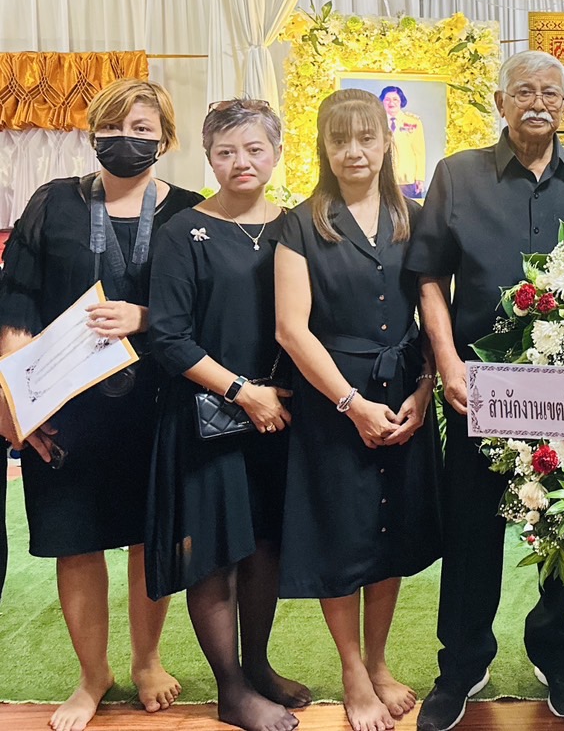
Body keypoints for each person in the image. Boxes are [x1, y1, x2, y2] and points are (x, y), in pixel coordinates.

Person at [408, 50, 564, 731]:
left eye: (551, 92)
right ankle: (462, 664)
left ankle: (555, 651)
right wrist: (447, 361)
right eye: (523, 91)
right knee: (473, 531)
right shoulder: (457, 174)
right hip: (480, 384)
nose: (537, 103)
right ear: (500, 102)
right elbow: (429, 277)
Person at [0, 77, 199, 731]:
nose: (126, 139)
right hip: (65, 407)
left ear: (165, 139)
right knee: (76, 542)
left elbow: (206, 308)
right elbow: (17, 298)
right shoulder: (52, 202)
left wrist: (146, 316)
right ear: (92, 133)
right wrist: (18, 398)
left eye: (142, 129)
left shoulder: (189, 214)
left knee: (149, 539)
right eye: (113, 127)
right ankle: (93, 675)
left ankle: (147, 661)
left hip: (158, 404)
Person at [274, 89, 442, 731]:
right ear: (323, 145)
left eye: (366, 137)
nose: (354, 151)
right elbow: (291, 329)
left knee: (387, 533)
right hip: (333, 400)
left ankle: (378, 661)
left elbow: (432, 315)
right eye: (340, 139)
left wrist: (423, 392)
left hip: (403, 393)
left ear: (386, 141)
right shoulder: (301, 224)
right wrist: (352, 405)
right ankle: (351, 669)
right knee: (341, 536)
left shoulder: (414, 216)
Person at [146, 98, 312, 731]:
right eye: (225, 152)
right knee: (215, 554)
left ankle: (258, 667)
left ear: (277, 152)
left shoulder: (296, 226)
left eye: (254, 149)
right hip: (207, 417)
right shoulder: (182, 231)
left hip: (280, 419)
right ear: (209, 157)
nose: (241, 161)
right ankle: (231, 689)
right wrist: (244, 391)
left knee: (264, 545)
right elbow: (168, 337)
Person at [379, 86, 428, 199]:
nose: (391, 103)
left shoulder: (413, 122)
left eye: (395, 99)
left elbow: (419, 152)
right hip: (383, 177)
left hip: (407, 179)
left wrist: (420, 177)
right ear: (382, 101)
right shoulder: (377, 122)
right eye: (387, 99)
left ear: (401, 101)